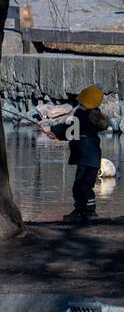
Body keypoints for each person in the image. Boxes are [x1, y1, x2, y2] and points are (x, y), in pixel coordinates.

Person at [40, 85, 113, 223]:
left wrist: (51, 129)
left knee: (79, 187)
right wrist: (55, 135)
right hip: (92, 159)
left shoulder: (82, 117)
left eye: (81, 103)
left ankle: (79, 212)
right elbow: (72, 132)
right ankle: (90, 212)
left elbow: (67, 128)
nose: (78, 105)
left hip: (85, 159)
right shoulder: (93, 118)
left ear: (86, 104)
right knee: (87, 187)